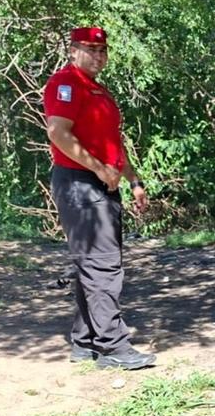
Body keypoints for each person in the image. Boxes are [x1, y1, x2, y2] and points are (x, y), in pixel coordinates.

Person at [44, 26, 157, 371]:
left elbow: (113, 143)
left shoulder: (100, 92)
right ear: (72, 50)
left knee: (91, 266)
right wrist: (98, 169)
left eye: (102, 50)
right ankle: (113, 347)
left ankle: (85, 341)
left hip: (103, 183)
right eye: (90, 49)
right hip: (80, 183)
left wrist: (133, 179)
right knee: (103, 266)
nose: (98, 55)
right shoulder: (65, 84)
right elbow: (58, 134)